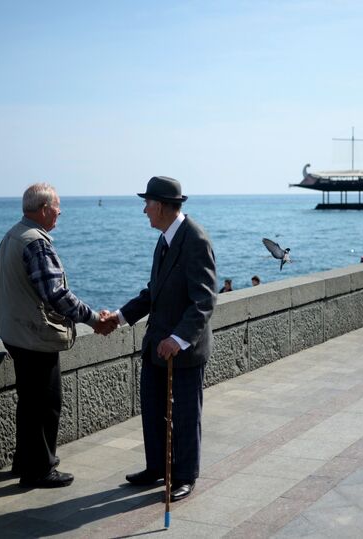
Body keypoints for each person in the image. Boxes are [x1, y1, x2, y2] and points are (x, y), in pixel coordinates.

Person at [0, 183, 111, 489]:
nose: (60, 212)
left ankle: (24, 462)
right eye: (57, 207)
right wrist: (94, 319)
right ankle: (40, 469)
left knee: (29, 403)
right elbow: (57, 294)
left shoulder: (13, 234)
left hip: (14, 333)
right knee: (46, 404)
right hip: (35, 335)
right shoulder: (36, 243)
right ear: (43, 209)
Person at [106, 176, 216, 502]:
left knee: (184, 415)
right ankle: (157, 466)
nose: (144, 210)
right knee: (153, 411)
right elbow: (153, 292)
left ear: (164, 207)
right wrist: (120, 316)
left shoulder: (194, 239)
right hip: (156, 345)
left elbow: (204, 300)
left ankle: (184, 475)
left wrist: (179, 338)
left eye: (148, 204)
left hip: (183, 349)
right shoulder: (165, 239)